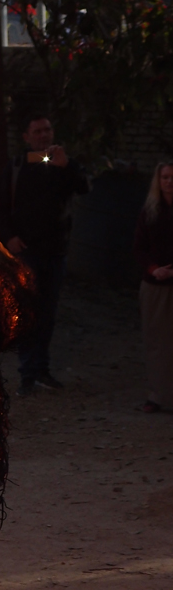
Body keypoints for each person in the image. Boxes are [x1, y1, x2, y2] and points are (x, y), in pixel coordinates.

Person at [0, 114, 89, 395]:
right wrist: (8, 237)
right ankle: (28, 373)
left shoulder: (64, 164)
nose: (43, 135)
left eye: (47, 130)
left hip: (55, 251)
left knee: (47, 313)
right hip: (26, 253)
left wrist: (66, 166)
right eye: (37, 131)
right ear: (26, 136)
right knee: (28, 312)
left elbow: (85, 187)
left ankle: (41, 371)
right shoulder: (17, 167)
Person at [133, 160, 173, 412]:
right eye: (165, 177)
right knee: (156, 339)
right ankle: (158, 394)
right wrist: (153, 270)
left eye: (172, 177)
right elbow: (139, 248)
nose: (169, 182)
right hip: (155, 283)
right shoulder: (150, 211)